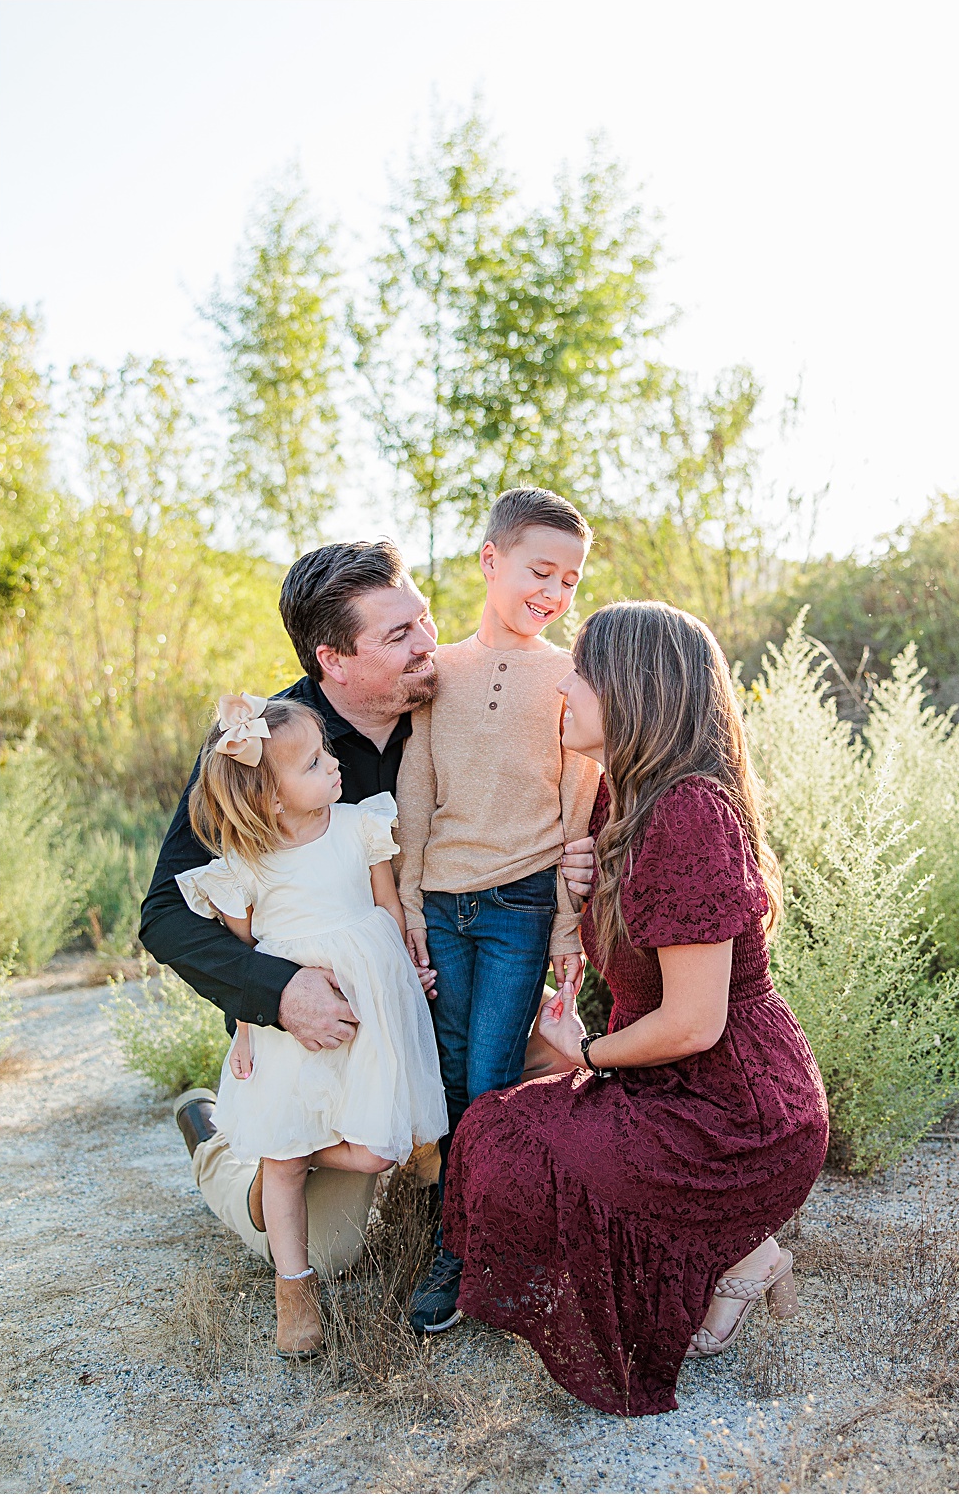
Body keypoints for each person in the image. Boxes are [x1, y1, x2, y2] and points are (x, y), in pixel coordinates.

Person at [140, 537, 591, 1282]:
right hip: (328, 1031)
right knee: (330, 1251)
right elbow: (165, 911)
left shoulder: (460, 697)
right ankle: (220, 1141)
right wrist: (281, 992)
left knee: (561, 1054)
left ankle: (441, 1175)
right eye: (399, 635)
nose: (428, 644)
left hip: (448, 986)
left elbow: (553, 787)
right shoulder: (264, 748)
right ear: (334, 660)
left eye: (425, 620)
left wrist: (584, 850)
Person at [442, 601, 830, 1416]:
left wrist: (582, 1058)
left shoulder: (688, 813)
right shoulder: (622, 799)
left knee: (512, 1146)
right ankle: (745, 1253)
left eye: (580, 672)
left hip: (735, 1110)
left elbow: (694, 1022)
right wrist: (584, 888)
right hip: (669, 1080)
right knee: (495, 1130)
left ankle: (735, 1246)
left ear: (632, 687)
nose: (564, 688)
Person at [174, 692, 446, 1356]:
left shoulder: (360, 826)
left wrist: (413, 972)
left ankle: (279, 1147)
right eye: (315, 764)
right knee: (288, 1166)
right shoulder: (243, 868)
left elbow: (387, 910)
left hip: (367, 1011)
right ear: (270, 798)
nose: (334, 768)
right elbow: (242, 964)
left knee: (381, 1147)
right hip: (287, 1027)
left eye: (327, 753)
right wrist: (244, 1032)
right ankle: (293, 1292)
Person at [396, 487, 602, 1334]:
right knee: (446, 1075)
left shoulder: (568, 678)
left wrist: (562, 923)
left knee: (488, 1079)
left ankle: (475, 1248)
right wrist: (408, 901)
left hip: (520, 904)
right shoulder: (438, 670)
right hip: (442, 902)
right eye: (539, 571)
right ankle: (452, 1226)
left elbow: (576, 803)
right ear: (491, 562)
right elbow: (417, 789)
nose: (553, 591)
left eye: (570, 580)